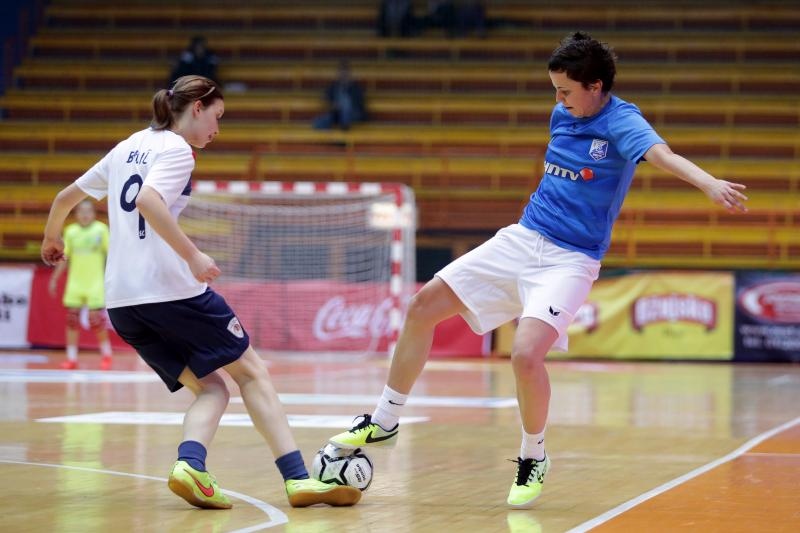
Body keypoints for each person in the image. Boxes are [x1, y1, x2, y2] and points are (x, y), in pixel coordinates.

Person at [328, 32, 749, 509]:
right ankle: (385, 420)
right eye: (554, 90)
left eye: (565, 90)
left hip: (571, 258)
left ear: (595, 85)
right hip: (523, 237)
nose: (558, 100)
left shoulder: (623, 121)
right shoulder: (562, 114)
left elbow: (662, 157)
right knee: (422, 305)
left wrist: (709, 182)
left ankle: (534, 455)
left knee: (526, 355)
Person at [41, 75, 361, 510]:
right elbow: (149, 202)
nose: (218, 128)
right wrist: (192, 256)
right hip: (170, 290)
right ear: (197, 107)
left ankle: (191, 464)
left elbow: (64, 198)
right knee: (252, 372)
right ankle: (299, 480)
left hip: (123, 302)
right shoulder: (176, 149)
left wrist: (52, 239)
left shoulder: (126, 147)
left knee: (213, 388)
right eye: (217, 116)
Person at [48, 199, 113, 370]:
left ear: (93, 213)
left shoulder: (101, 230)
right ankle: (71, 358)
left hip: (95, 283)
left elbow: (112, 255)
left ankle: (106, 354)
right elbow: (64, 258)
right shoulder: (71, 232)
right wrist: (55, 278)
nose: (84, 214)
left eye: (88, 211)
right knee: (72, 320)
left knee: (95, 320)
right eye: (81, 211)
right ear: (76, 214)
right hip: (75, 283)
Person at [312, 60, 367, 131]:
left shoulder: (356, 88)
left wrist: (346, 107)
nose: (343, 76)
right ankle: (338, 127)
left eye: (345, 74)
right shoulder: (333, 86)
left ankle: (342, 124)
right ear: (338, 74)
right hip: (337, 113)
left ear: (349, 74)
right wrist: (334, 105)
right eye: (341, 74)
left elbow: (359, 104)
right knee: (318, 122)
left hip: (352, 114)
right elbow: (326, 99)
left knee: (346, 108)